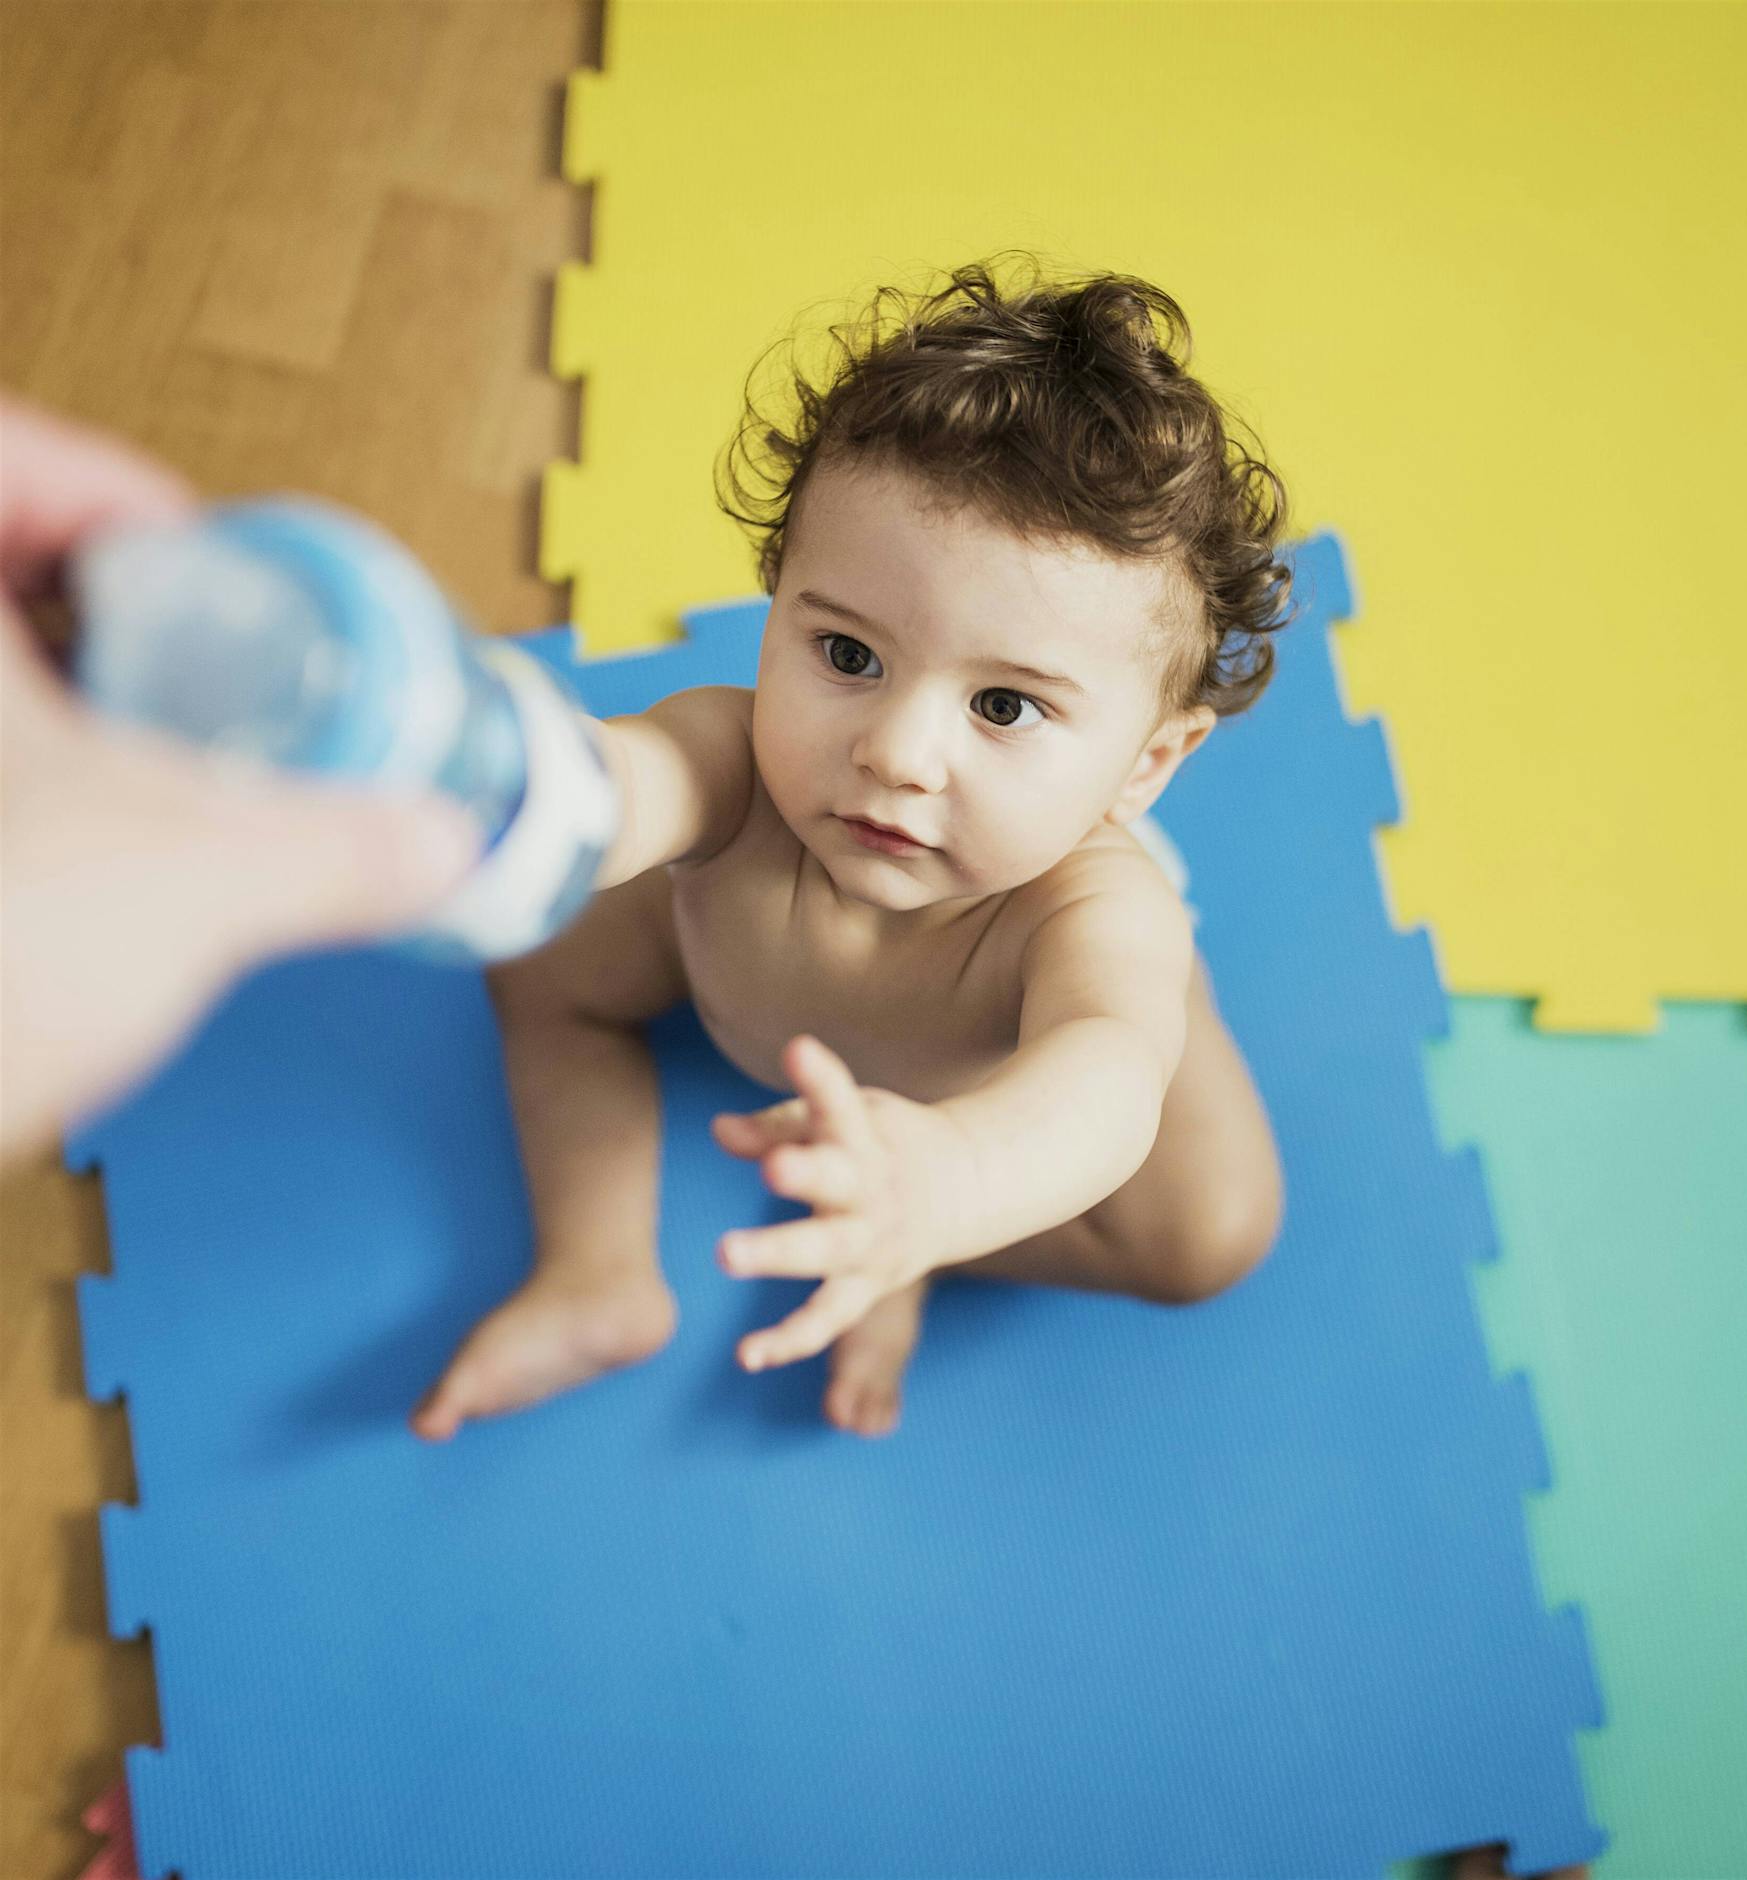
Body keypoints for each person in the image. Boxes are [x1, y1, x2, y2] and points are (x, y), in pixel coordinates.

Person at [411, 255, 1290, 1444]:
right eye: (848, 655)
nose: (896, 752)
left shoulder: (1091, 914)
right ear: (780, 603)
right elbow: (635, 781)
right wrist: (523, 790)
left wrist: (951, 1187)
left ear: (1143, 763)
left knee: (1210, 1230)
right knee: (535, 948)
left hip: (980, 1125)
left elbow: (1106, 1079)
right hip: (812, 1054)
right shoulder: (742, 762)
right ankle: (596, 1272)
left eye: (1003, 707)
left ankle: (901, 1237)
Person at [0, 395, 481, 1167]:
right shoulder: (721, 737)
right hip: (615, 963)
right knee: (569, 999)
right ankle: (603, 1259)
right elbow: (656, 787)